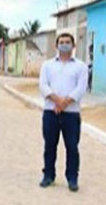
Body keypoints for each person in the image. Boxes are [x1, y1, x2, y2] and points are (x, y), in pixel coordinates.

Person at [38, 32, 88, 192]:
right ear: (56, 45)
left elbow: (81, 88)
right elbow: (43, 85)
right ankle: (48, 175)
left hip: (71, 114)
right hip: (50, 111)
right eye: (61, 42)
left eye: (67, 42)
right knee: (50, 146)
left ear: (73, 46)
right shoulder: (47, 65)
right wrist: (57, 101)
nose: (64, 44)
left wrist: (65, 102)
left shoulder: (81, 66)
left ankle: (72, 178)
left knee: (72, 147)